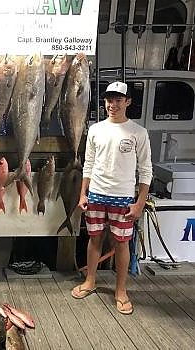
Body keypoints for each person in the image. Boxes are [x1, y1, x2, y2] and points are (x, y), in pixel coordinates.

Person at [71, 81, 152, 315]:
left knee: (121, 243)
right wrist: (83, 193)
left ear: (128, 102)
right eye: (109, 100)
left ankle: (121, 290)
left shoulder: (138, 132)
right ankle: (90, 281)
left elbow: (146, 170)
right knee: (94, 239)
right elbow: (88, 164)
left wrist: (140, 202)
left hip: (124, 198)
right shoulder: (96, 129)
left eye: (118, 100)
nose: (112, 105)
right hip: (96, 193)